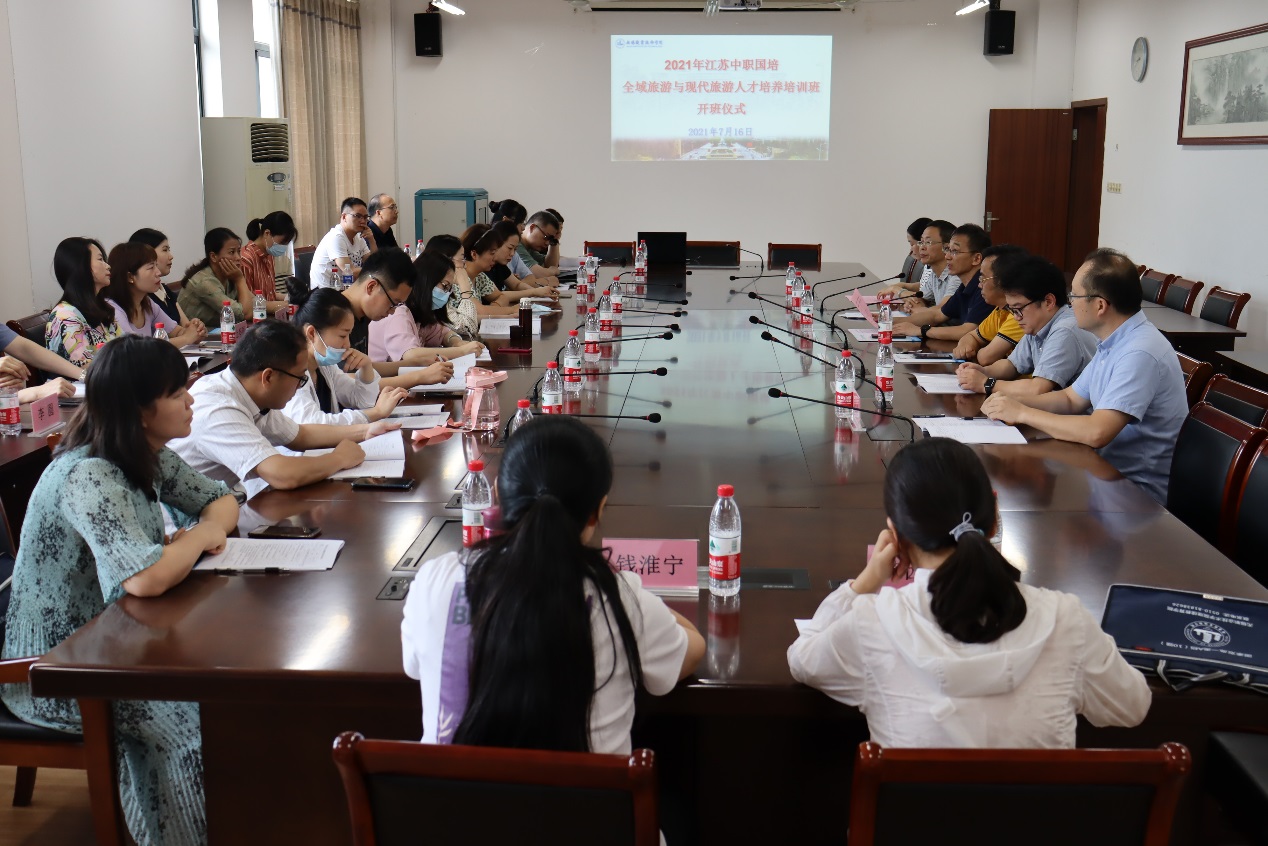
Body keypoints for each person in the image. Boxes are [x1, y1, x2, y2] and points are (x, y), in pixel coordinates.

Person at [1, 335, 240, 846]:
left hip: (117, 637)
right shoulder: (89, 474)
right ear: (138, 410)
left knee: (230, 690)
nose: (191, 400)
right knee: (188, 720)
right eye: (177, 393)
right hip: (57, 665)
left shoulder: (145, 453)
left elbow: (221, 502)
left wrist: (191, 539)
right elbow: (147, 579)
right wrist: (195, 538)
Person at [786, 437, 1151, 747]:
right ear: (994, 519)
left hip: (917, 814)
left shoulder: (873, 624)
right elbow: (1132, 706)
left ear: (896, 536)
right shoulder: (1065, 620)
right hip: (1040, 814)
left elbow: (803, 659)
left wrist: (865, 582)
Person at [401, 415, 705, 753]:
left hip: (448, 789)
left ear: (498, 493)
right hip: (583, 791)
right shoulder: (618, 597)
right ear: (599, 509)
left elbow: (414, 666)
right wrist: (633, 589)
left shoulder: (435, 581)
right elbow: (692, 650)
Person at [983, 249, 1188, 504]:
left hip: (1136, 492)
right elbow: (1070, 399)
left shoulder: (1139, 352)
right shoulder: (1113, 341)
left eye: (1075, 296)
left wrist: (1023, 413)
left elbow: (1097, 431)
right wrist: (1010, 403)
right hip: (1103, 473)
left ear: (1100, 305)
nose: (1070, 303)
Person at [170, 320, 397, 499]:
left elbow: (300, 435)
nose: (301, 385)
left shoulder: (248, 392)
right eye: (299, 378)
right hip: (183, 529)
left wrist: (365, 431)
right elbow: (281, 474)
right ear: (268, 377)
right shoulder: (218, 407)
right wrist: (339, 458)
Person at [956, 254, 1098, 397]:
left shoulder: (1065, 330)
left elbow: (1038, 389)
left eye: (1019, 309)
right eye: (1012, 310)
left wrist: (986, 383)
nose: (1016, 317)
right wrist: (983, 371)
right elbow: (1012, 365)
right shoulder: (1038, 325)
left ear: (1048, 302)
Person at [283, 288, 408, 425]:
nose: (347, 344)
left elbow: (361, 401)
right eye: (342, 335)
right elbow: (313, 424)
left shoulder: (325, 367)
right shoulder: (290, 372)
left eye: (349, 335)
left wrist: (366, 368)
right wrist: (376, 413)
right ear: (312, 333)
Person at [337, 248, 454, 391]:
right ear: (371, 287)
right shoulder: (333, 316)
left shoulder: (361, 315)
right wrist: (419, 377)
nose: (392, 311)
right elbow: (345, 382)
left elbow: (362, 368)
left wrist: (416, 363)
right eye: (393, 303)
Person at [369, 248, 486, 365]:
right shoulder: (398, 311)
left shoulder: (421, 314)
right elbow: (411, 355)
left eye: (449, 289)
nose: (447, 293)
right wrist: (461, 351)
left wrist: (456, 342)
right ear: (426, 281)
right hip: (380, 375)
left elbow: (443, 333)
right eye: (444, 286)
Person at [894, 223, 993, 342]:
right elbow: (937, 315)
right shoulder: (964, 287)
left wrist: (921, 330)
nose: (947, 256)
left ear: (976, 258)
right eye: (947, 250)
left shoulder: (985, 287)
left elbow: (968, 331)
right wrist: (890, 321)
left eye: (955, 251)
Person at [105, 242, 201, 346]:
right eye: (151, 267)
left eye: (156, 265)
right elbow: (136, 348)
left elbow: (177, 332)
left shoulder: (147, 303)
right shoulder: (112, 309)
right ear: (130, 277)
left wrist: (195, 330)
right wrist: (187, 339)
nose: (158, 272)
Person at [46, 236, 122, 366]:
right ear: (81, 266)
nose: (108, 266)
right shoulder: (65, 316)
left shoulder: (101, 308)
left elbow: (126, 347)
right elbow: (87, 366)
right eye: (100, 259)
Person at [952, 245, 1027, 365]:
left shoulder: (1019, 315)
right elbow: (971, 336)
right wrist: (964, 345)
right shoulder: (1000, 310)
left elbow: (986, 357)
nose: (979, 285)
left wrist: (975, 350)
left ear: (1003, 280)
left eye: (983, 278)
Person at [176, 228, 254, 327]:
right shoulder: (204, 281)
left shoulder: (229, 275)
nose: (238, 257)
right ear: (213, 257)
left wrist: (274, 306)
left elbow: (254, 303)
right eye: (231, 252)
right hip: (195, 334)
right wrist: (240, 280)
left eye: (239, 251)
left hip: (217, 331)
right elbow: (245, 314)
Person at [468, 222, 557, 305]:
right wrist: (534, 292)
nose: (512, 254)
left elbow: (516, 285)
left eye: (515, 249)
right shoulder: (479, 270)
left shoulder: (498, 265)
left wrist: (539, 292)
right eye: (510, 248)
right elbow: (497, 296)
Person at [457, 226, 524, 319]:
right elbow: (478, 310)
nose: (495, 258)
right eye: (492, 253)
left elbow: (502, 297)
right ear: (474, 254)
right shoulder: (459, 276)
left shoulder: (479, 276)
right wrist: (512, 310)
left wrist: (494, 309)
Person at [311, 197, 376, 290]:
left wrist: (371, 239)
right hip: (327, 292)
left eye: (365, 217)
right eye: (358, 216)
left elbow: (373, 262)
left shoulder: (358, 237)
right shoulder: (336, 237)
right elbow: (351, 273)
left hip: (346, 289)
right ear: (344, 217)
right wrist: (374, 269)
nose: (363, 221)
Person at [129, 227, 190, 324]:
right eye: (165, 250)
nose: (171, 256)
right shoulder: (142, 297)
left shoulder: (165, 290)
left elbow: (185, 326)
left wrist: (195, 326)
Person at [240, 211, 296, 313]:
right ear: (267, 233)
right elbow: (249, 303)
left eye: (286, 244)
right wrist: (284, 305)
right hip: (255, 317)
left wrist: (287, 298)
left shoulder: (269, 255)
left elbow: (269, 294)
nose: (284, 247)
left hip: (269, 314)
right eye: (282, 242)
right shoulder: (246, 259)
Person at [426, 234, 480, 339]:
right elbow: (469, 328)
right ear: (446, 260)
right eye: (462, 259)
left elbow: (456, 319)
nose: (465, 265)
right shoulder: (434, 292)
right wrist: (465, 290)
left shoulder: (442, 289)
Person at [897, 220, 956, 313]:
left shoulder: (956, 276)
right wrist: (911, 304)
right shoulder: (934, 274)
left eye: (928, 242)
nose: (922, 247)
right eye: (921, 242)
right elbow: (921, 299)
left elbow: (941, 311)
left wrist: (898, 291)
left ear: (947, 247)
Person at [880, 217, 932, 298]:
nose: (911, 250)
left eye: (912, 244)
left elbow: (924, 298)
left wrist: (898, 290)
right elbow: (924, 287)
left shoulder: (940, 270)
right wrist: (903, 285)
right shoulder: (928, 266)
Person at [515, 210, 563, 282]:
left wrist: (555, 240)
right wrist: (553, 271)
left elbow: (549, 265)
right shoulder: (516, 244)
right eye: (546, 237)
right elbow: (538, 273)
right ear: (532, 228)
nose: (547, 243)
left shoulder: (529, 248)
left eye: (550, 239)